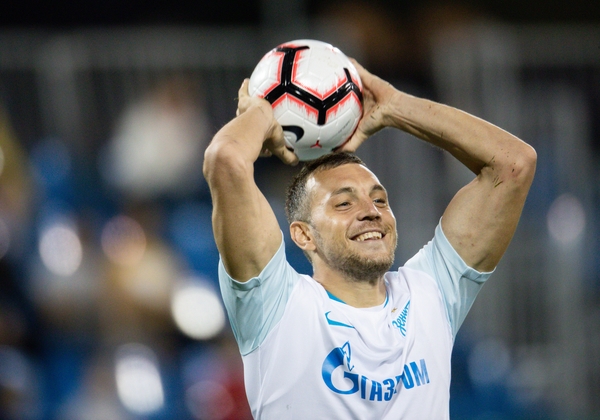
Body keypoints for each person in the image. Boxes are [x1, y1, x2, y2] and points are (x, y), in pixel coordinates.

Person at [203, 59, 536, 419]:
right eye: (344, 203)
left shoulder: (430, 293)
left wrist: (396, 107)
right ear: (303, 235)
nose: (370, 211)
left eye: (379, 200)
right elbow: (226, 159)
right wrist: (261, 113)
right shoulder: (274, 305)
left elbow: (513, 165)